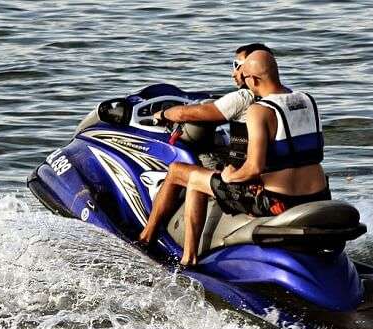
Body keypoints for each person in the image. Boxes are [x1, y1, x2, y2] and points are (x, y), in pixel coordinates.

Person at [142, 50, 330, 265]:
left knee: (190, 176)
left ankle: (186, 258)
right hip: (317, 194)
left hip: (277, 202)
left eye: (244, 76)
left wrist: (230, 176)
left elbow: (253, 168)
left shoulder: (259, 110)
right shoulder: (306, 100)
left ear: (254, 79)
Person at [138, 43, 272, 245]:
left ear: (251, 70)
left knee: (181, 172)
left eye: (237, 65)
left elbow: (188, 113)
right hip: (276, 180)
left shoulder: (243, 98)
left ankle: (149, 239)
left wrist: (163, 114)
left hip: (248, 184)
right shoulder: (284, 98)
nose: (234, 72)